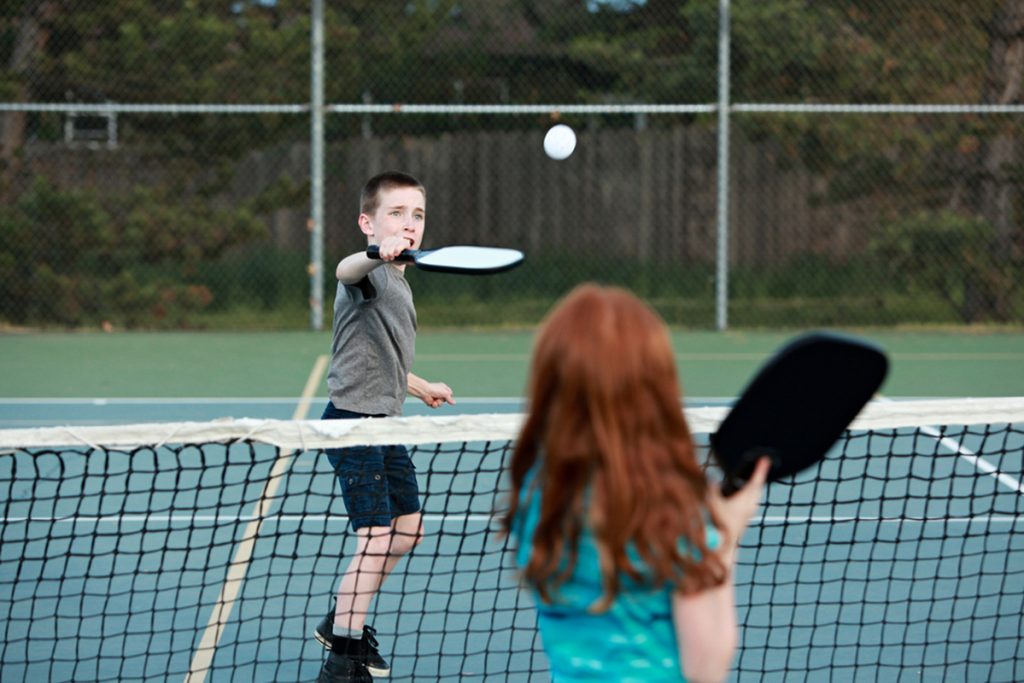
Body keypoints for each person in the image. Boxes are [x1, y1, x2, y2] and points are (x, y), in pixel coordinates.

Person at [503, 284, 770, 683]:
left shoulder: (537, 500)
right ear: (654, 386)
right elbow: (706, 668)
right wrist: (725, 537)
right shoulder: (674, 515)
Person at [315, 171, 455, 683]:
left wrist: (418, 386)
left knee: (408, 532)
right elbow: (343, 269)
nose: (409, 224)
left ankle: (340, 620)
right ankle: (342, 660)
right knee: (375, 537)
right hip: (353, 424)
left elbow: (381, 353)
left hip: (385, 422)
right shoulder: (371, 272)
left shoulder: (397, 278)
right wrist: (377, 252)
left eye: (416, 215)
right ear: (367, 222)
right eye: (396, 214)